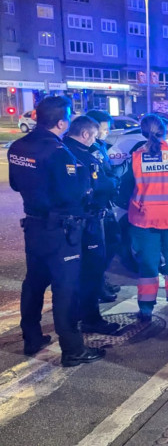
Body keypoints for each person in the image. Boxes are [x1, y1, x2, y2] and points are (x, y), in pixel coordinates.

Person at [9, 96, 105, 366]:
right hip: (61, 231)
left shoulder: (17, 146)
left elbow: (16, 185)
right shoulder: (59, 152)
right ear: (61, 122)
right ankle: (73, 350)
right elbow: (73, 193)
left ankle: (32, 337)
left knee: (34, 283)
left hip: (33, 226)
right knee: (66, 289)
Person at [117, 115, 168, 321]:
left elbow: (123, 191)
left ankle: (146, 309)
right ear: (166, 132)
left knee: (148, 265)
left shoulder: (135, 158)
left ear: (143, 133)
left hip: (145, 220)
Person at [63, 116, 120, 335]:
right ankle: (90, 319)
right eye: (94, 135)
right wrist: (114, 182)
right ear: (85, 134)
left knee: (73, 272)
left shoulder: (61, 150)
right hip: (88, 220)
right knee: (91, 270)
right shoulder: (83, 156)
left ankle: (75, 315)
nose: (95, 140)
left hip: (68, 223)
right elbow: (102, 185)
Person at [85, 110, 123, 302]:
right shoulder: (91, 149)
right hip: (96, 205)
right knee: (100, 248)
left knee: (111, 242)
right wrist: (120, 172)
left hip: (104, 203)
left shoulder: (100, 146)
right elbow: (103, 177)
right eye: (105, 128)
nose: (107, 131)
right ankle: (97, 286)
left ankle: (100, 281)